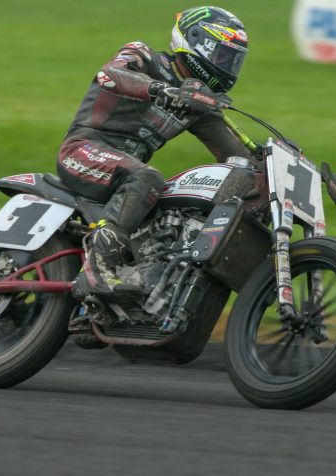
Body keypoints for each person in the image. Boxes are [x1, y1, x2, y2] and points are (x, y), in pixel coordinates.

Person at [57, 6, 255, 298]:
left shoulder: (197, 101)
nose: (227, 66)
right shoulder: (143, 54)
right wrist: (163, 90)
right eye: (223, 56)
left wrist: (277, 165)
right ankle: (97, 266)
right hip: (83, 150)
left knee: (178, 206)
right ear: (196, 41)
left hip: (125, 171)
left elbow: (236, 154)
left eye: (233, 60)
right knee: (147, 177)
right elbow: (109, 74)